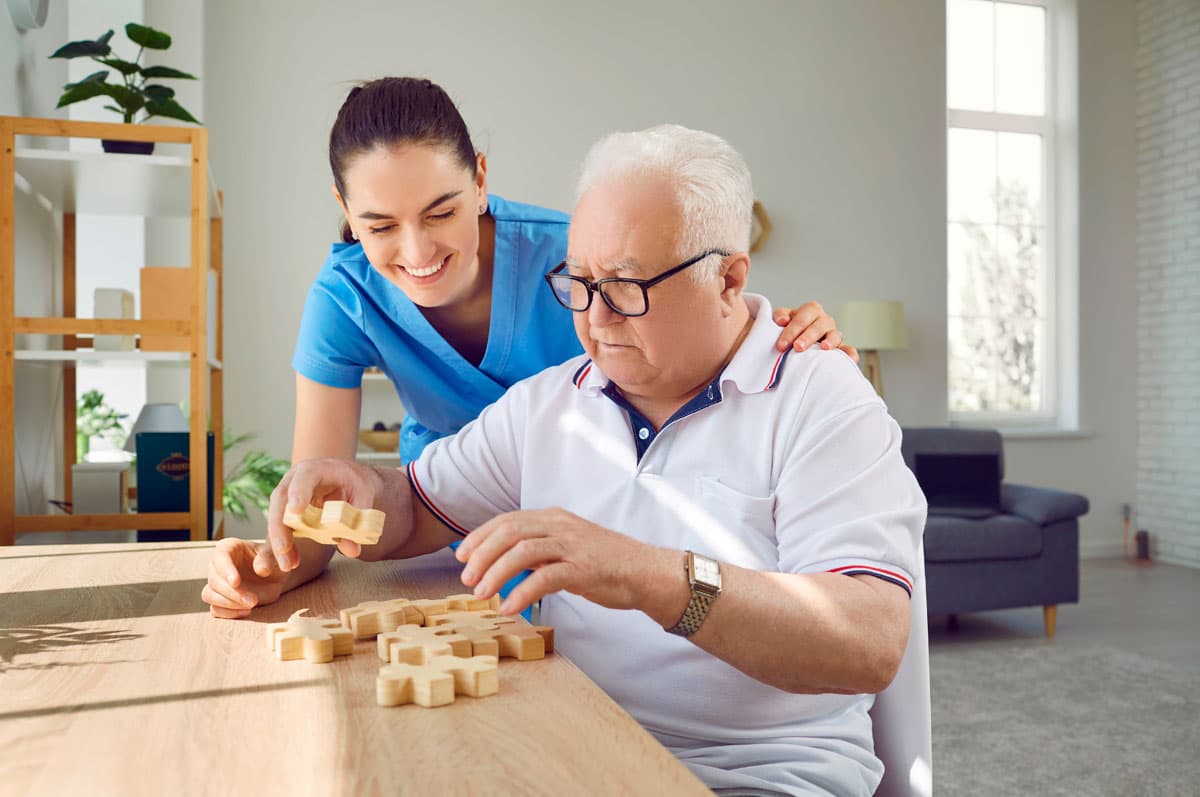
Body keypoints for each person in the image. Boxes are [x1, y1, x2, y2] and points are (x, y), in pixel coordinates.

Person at [205, 123, 924, 795]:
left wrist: (644, 572)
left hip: (755, 776)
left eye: (628, 287)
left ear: (729, 280)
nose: (594, 319)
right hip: (563, 743)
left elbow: (866, 639)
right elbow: (416, 506)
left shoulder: (822, 399)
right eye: (578, 282)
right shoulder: (552, 401)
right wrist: (353, 490)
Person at [285, 77, 856, 602]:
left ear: (480, 180)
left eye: (440, 213)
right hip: (447, 503)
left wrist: (789, 346)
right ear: (346, 213)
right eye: (381, 226)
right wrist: (275, 561)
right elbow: (332, 500)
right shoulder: (347, 298)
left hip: (593, 515)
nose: (416, 253)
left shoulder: (578, 266)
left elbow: (704, 323)